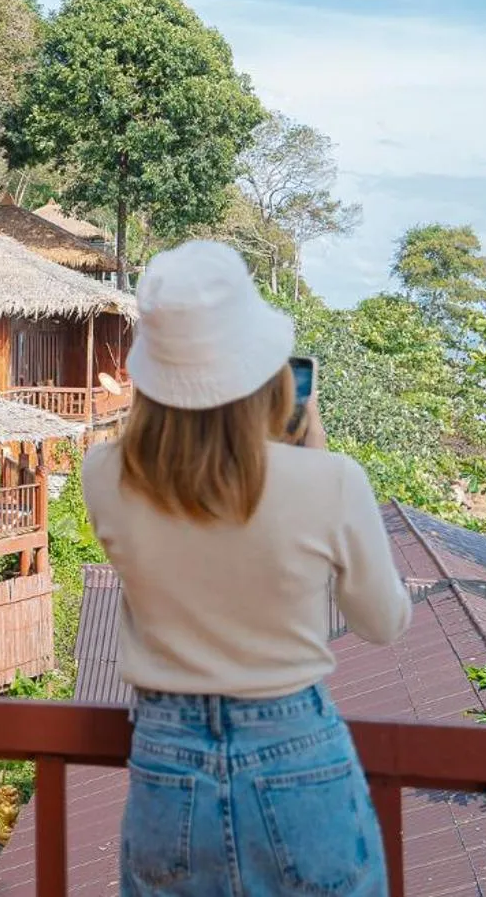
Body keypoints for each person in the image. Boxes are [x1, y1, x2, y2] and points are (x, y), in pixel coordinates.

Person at [82, 240, 410, 896]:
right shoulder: (332, 481)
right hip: (296, 748)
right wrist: (316, 456)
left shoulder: (104, 475)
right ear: (266, 372)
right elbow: (384, 622)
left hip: (166, 759)